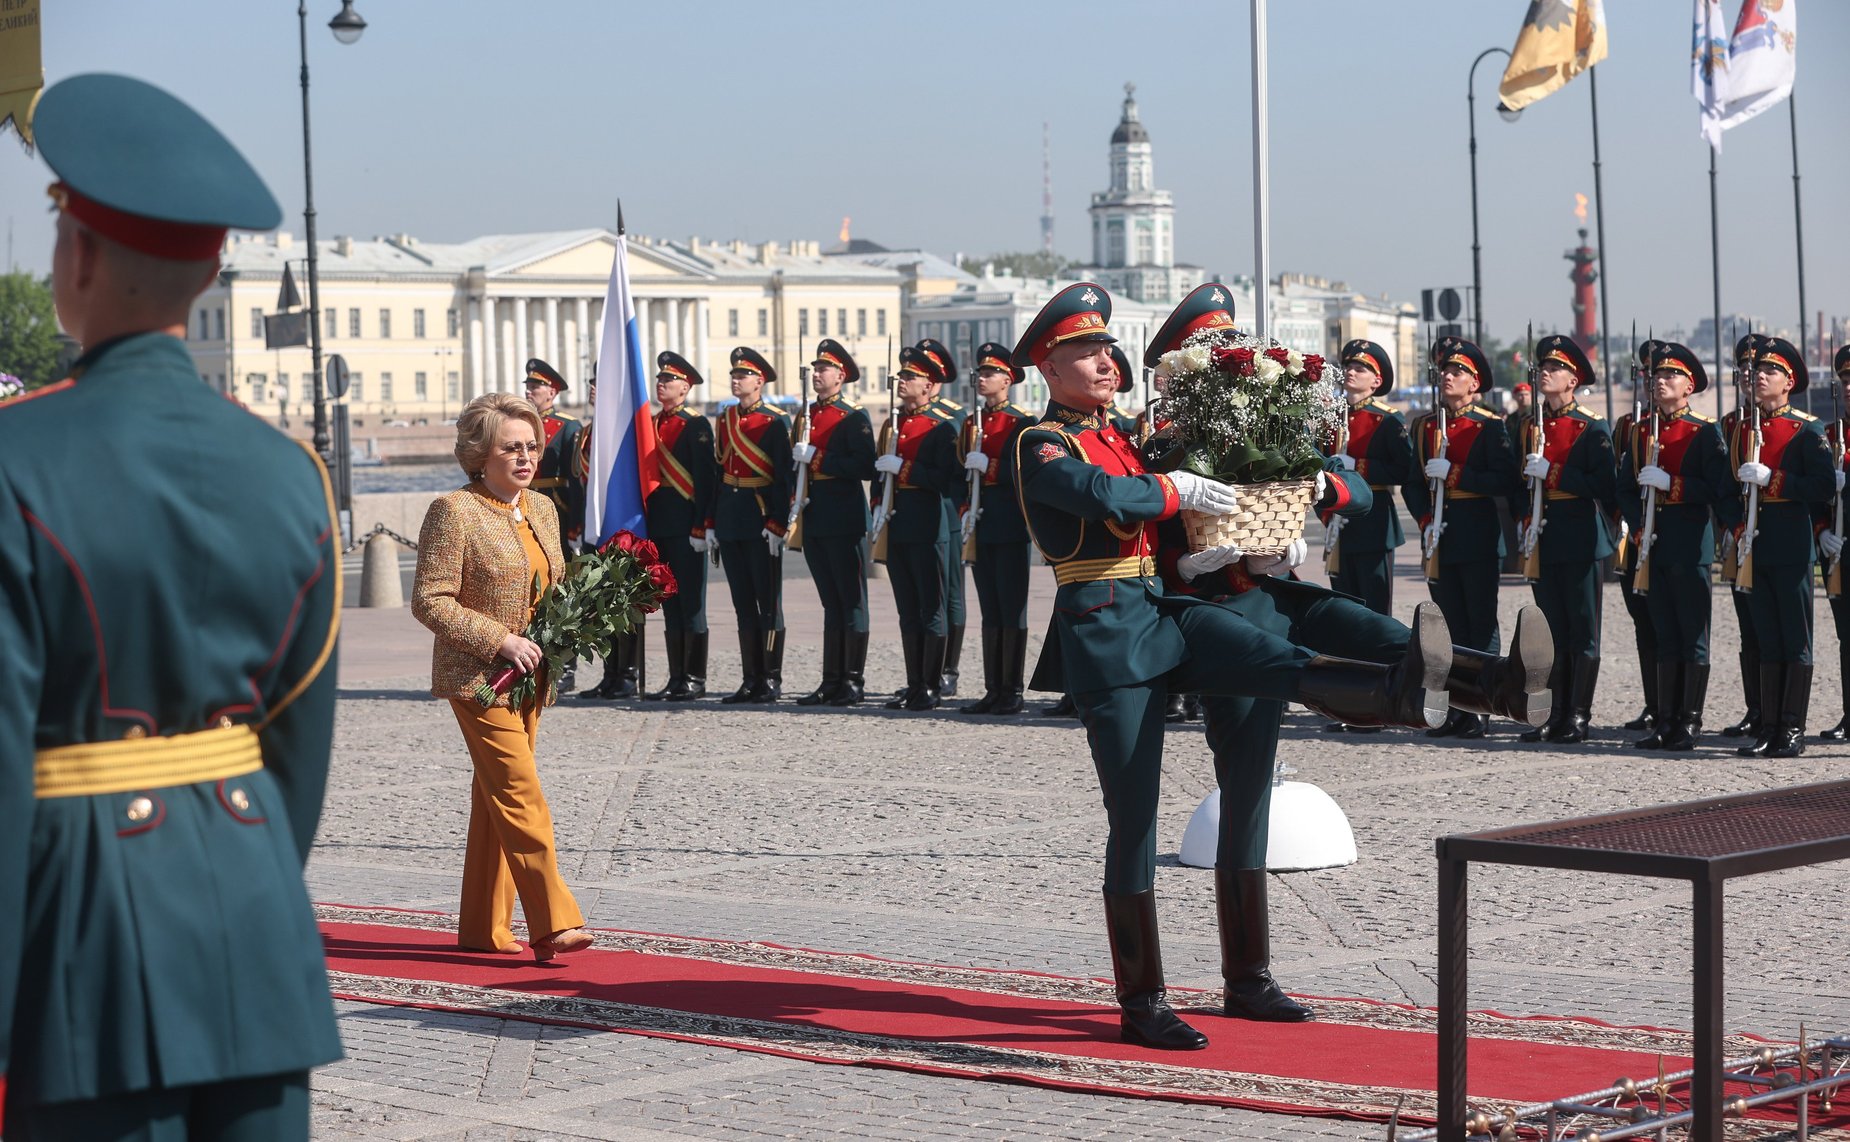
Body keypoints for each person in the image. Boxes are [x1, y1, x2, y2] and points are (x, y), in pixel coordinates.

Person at [0, 73, 342, 1140]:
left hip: (78, 932)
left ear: (78, 255)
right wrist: (242, 871)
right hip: (255, 919)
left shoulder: (16, 457)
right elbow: (298, 748)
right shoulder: (291, 472)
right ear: (206, 274)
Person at [1014, 283, 1459, 1052]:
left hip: (1171, 613)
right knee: (1134, 819)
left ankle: (1248, 975)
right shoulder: (1048, 441)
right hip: (1110, 630)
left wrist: (1280, 521)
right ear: (1049, 369)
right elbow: (1098, 495)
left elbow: (1329, 487)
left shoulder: (1129, 437)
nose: (1105, 362)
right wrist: (1173, 496)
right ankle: (1142, 999)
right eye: (1084, 353)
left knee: (1283, 678)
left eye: (1107, 349)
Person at [1138, 295, 1550, 1025]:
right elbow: (1144, 534)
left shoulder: (1266, 424)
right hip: (1213, 619)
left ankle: (1500, 685)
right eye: (1216, 353)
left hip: (1272, 590)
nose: (1232, 367)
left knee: (1374, 626)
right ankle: (1248, 978)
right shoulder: (1162, 442)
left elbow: (1355, 488)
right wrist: (1190, 560)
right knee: (1247, 796)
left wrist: (1317, 492)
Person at [413, 393, 594, 965]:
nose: (526, 457)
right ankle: (554, 921)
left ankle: (484, 926)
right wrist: (499, 639)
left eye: (532, 446)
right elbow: (430, 599)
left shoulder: (541, 508)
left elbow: (552, 586)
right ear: (479, 455)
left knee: (497, 795)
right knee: (520, 792)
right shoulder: (454, 511)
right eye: (510, 448)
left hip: (530, 677)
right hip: (479, 677)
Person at [1403, 336, 1523, 738]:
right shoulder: (1425, 425)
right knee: (1448, 627)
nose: (1448, 377)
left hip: (1477, 536)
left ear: (1475, 383)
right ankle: (1455, 707)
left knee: (1480, 624)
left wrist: (1455, 475)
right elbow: (1412, 483)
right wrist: (1425, 520)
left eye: (1458, 372)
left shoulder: (1489, 425)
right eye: (1445, 371)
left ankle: (1481, 707)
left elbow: (1504, 479)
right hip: (1440, 537)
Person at [1723, 336, 1834, 758]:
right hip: (1756, 544)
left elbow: (1823, 486)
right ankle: (1769, 728)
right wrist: (1737, 527)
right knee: (1767, 639)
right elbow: (1727, 487)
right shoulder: (1742, 429)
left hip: (1790, 544)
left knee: (1794, 639)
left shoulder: (1806, 429)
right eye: (1757, 370)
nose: (1759, 376)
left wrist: (1775, 479)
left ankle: (1792, 729)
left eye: (1770, 371)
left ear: (1789, 382)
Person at [1617, 341, 1731, 750]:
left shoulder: (1704, 431)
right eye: (1657, 375)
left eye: (1671, 375)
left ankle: (1690, 721)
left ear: (1689, 386)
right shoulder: (1640, 431)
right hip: (1653, 545)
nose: (1660, 381)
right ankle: (1665, 721)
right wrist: (1636, 523)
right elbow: (1623, 487)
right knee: (1664, 634)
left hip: (1688, 544)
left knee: (1691, 635)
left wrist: (1673, 485)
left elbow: (1718, 488)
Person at [1513, 335, 1617, 744]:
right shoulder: (1530, 425)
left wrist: (1553, 473)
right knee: (1548, 632)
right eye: (1543, 367)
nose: (1545, 373)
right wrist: (1525, 518)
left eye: (1555, 368)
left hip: (1579, 537)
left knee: (1581, 630)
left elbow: (1604, 484)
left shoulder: (1591, 426)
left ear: (1573, 380)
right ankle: (1551, 713)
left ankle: (1577, 714)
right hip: (1544, 537)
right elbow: (1516, 483)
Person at [877, 347, 966, 710]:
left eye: (910, 377)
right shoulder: (894, 423)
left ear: (929, 386)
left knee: (933, 608)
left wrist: (905, 469)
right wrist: (877, 505)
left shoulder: (941, 427)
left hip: (929, 525)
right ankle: (914, 683)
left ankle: (931, 685)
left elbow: (948, 481)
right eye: (901, 376)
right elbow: (879, 475)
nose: (902, 381)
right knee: (908, 609)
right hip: (898, 523)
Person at [790, 339, 877, 705]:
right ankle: (831, 679)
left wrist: (818, 458)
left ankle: (852, 680)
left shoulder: (853, 416)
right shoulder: (805, 414)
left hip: (844, 517)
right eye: (815, 369)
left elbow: (865, 465)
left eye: (823, 369)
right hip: (815, 517)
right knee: (831, 603)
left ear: (841, 376)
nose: (817, 374)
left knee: (851, 601)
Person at [633, 352, 719, 701]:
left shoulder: (696, 425)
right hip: (659, 525)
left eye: (668, 380)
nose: (661, 384)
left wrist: (702, 525)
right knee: (669, 601)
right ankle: (676, 676)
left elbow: (705, 480)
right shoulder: (651, 425)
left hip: (686, 526)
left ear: (685, 387)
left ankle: (694, 677)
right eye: (659, 379)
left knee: (691, 603)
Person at [958, 343, 1036, 714]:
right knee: (990, 609)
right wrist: (964, 509)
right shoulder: (971, 422)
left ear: (1007, 380)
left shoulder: (1022, 422)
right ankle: (993, 688)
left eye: (989, 373)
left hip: (1009, 525)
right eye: (980, 373)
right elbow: (959, 475)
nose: (981, 379)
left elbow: (1024, 473)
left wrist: (989, 466)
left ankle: (1012, 689)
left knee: (1011, 608)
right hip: (981, 523)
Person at [713, 347, 793, 702]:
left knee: (768, 602)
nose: (736, 380)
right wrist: (712, 522)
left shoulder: (775, 421)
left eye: (743, 375)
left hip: (761, 518)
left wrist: (778, 522)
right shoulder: (726, 419)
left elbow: (784, 476)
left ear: (759, 382)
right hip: (731, 518)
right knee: (743, 604)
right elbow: (718, 473)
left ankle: (771, 677)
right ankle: (750, 678)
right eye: (734, 375)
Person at [1326, 339, 1415, 617]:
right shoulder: (1332, 417)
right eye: (1348, 366)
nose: (1351, 372)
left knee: (1375, 607)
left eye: (1360, 368)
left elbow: (1404, 470)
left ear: (1376, 381)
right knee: (1344, 608)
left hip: (1374, 522)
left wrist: (1359, 467)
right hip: (1338, 521)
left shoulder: (1388, 419)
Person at [1717, 334, 1769, 739]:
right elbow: (1722, 486)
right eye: (1744, 368)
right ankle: (1755, 708)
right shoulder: (1730, 424)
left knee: (1775, 631)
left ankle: (1776, 711)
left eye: (1757, 367)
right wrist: (1734, 527)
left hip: (1773, 534)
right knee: (1748, 628)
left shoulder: (1786, 423)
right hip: (1740, 536)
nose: (1749, 374)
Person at [1609, 347, 1663, 736]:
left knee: (1668, 625)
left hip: (1666, 535)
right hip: (1633, 536)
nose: (1650, 382)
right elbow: (1618, 480)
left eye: (1656, 375)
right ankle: (1653, 703)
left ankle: (1672, 707)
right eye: (1646, 375)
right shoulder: (1629, 425)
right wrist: (1627, 518)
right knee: (1642, 623)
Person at [525, 358, 582, 691]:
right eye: (529, 386)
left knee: (561, 591)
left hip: (557, 512)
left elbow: (575, 481)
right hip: (526, 509)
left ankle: (565, 665)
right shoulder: (522, 423)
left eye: (536, 386)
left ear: (553, 392)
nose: (530, 391)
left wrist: (575, 524)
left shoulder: (568, 427)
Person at [917, 337, 970, 696]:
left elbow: (957, 470)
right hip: (922, 515)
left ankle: (949, 666)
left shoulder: (953, 415)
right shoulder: (908, 416)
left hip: (948, 513)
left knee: (951, 593)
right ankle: (926, 669)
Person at [1818, 346, 1850, 741]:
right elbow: (1815, 497)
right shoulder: (1828, 436)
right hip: (1839, 549)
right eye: (1844, 380)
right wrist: (1821, 531)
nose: (1849, 386)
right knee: (1847, 638)